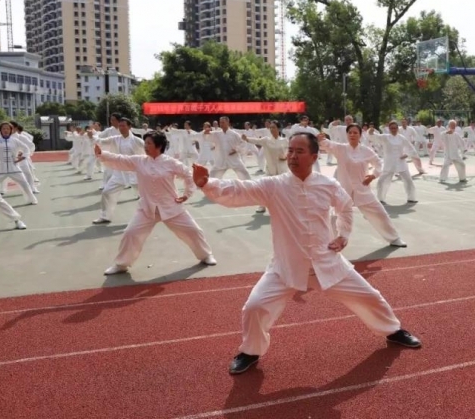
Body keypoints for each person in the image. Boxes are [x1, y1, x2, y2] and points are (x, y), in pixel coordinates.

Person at [193, 132, 420, 375]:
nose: (292, 156)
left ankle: (393, 331)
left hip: (327, 262)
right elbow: (239, 190)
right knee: (255, 307)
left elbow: (345, 207)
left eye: (299, 151)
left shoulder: (327, 184)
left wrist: (343, 235)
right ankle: (250, 351)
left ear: (314, 156)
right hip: (286, 266)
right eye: (290, 150)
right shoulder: (274, 185)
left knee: (369, 296)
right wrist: (207, 184)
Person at [94, 131, 216, 275]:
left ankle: (206, 255)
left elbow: (188, 175)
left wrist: (186, 195)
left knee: (193, 231)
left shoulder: (171, 163)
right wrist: (102, 154)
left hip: (171, 206)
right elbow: (121, 159)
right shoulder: (139, 161)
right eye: (145, 143)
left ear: (159, 145)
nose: (145, 146)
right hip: (146, 208)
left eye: (149, 143)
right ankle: (121, 265)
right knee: (131, 233)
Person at [320, 124, 407, 247]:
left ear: (360, 135)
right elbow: (327, 144)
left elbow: (379, 163)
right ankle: (331, 241)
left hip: (362, 189)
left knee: (380, 213)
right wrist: (321, 139)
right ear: (347, 135)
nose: (352, 135)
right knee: (335, 217)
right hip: (344, 190)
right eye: (350, 132)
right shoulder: (341, 149)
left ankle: (394, 238)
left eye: (355, 133)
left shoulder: (366, 150)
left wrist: (373, 175)